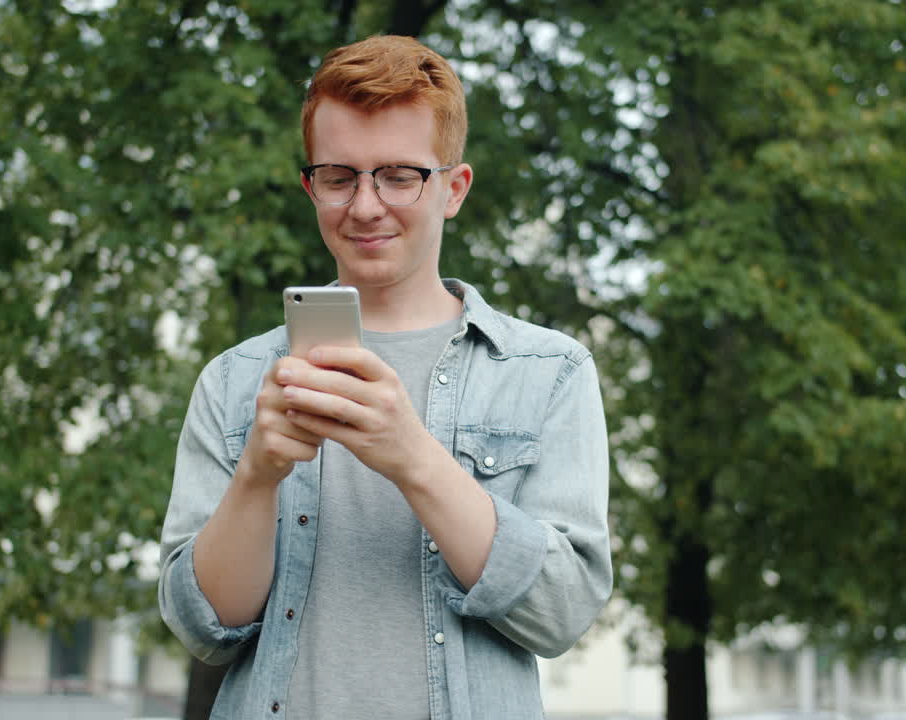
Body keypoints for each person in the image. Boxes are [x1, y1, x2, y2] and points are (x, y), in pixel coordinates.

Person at [158, 35, 612, 720]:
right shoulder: (234, 382)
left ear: (453, 189)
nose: (366, 206)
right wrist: (256, 475)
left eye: (399, 175)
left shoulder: (549, 374)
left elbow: (562, 613)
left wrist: (413, 457)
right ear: (311, 186)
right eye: (340, 177)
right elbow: (204, 632)